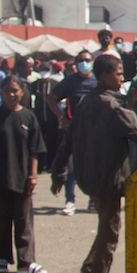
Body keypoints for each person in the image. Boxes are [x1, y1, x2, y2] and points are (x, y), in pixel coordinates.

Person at [52, 55, 137, 273]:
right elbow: (133, 128)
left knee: (104, 230)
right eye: (118, 73)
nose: (121, 78)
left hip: (91, 177)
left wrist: (59, 171)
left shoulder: (85, 103)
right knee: (109, 235)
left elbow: (68, 140)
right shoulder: (108, 104)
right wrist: (131, 103)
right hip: (108, 178)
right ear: (103, 76)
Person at [0, 76, 47, 273]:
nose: (11, 94)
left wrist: (33, 175)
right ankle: (1, 259)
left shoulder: (28, 117)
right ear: (1, 92)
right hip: (0, 175)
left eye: (15, 90)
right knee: (2, 219)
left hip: (22, 175)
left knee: (24, 219)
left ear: (22, 92)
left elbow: (35, 149)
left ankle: (26, 262)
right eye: (7, 90)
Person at [50, 51, 97, 216]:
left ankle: (93, 200)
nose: (84, 63)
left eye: (87, 60)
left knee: (93, 166)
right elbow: (51, 98)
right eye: (80, 60)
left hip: (94, 130)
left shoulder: (98, 80)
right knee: (72, 168)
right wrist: (61, 118)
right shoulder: (70, 81)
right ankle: (70, 201)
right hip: (74, 129)